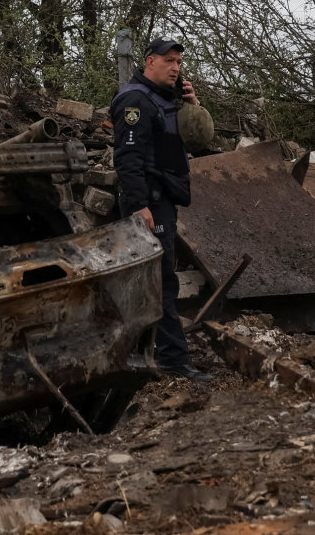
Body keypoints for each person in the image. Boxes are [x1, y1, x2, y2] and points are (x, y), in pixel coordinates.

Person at [111, 36, 212, 383]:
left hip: (163, 201)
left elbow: (200, 140)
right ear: (149, 61)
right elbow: (128, 159)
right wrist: (139, 206)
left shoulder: (166, 100)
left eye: (179, 63)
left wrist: (192, 105)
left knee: (155, 280)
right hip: (149, 203)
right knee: (161, 283)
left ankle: (146, 354)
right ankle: (173, 361)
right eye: (169, 61)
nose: (176, 68)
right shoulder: (135, 100)